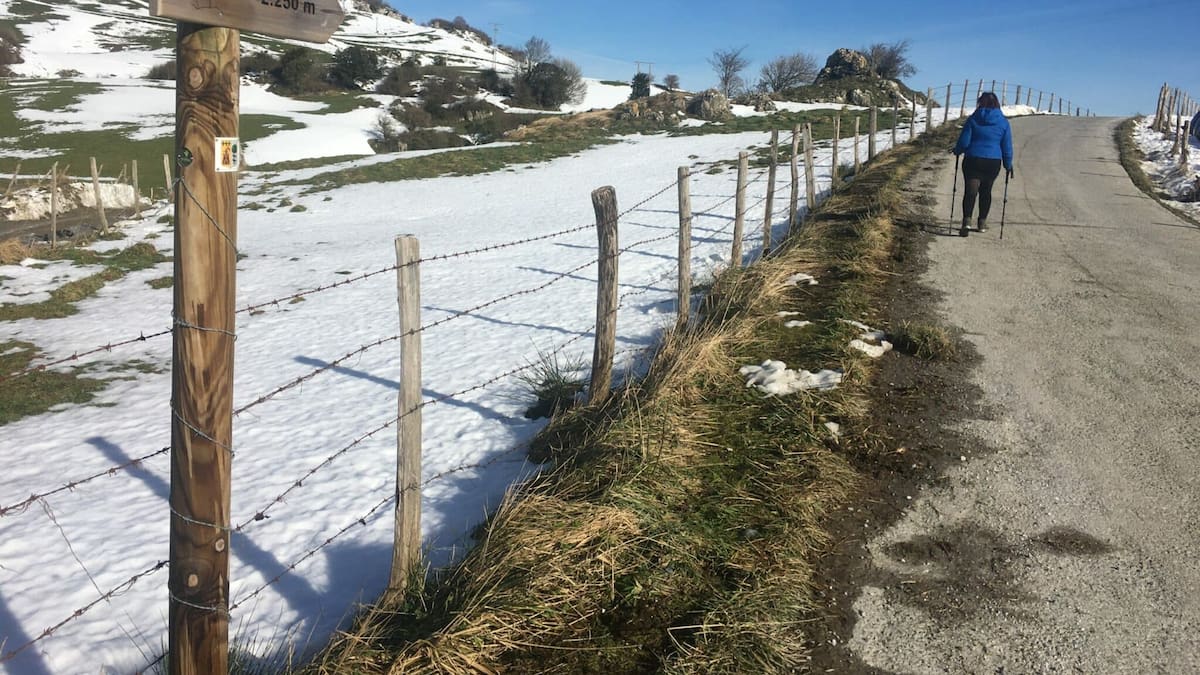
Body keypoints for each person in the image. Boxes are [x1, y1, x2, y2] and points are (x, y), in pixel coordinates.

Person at [953, 92, 1014, 236]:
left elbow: (964, 142)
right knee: (986, 192)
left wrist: (957, 150)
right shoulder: (1003, 122)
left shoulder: (973, 119)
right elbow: (1007, 147)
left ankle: (967, 221)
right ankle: (981, 223)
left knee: (971, 191)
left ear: (980, 103)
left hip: (973, 159)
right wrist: (1008, 164)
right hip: (992, 162)